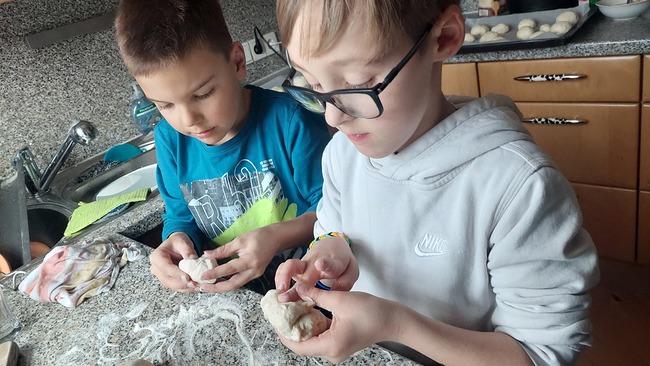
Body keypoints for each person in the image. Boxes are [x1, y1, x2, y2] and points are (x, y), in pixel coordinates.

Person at [271, 0, 600, 365]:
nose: (333, 117)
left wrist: (394, 325)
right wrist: (329, 251)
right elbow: (334, 228)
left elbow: (538, 353)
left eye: (356, 84)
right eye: (312, 82)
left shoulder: (518, 187)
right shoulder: (341, 156)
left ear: (443, 37)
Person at [114, 0, 331, 294]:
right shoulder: (169, 139)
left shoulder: (291, 122)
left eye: (203, 94)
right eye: (164, 105)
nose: (189, 120)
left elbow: (333, 211)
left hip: (304, 287)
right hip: (235, 295)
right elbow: (181, 217)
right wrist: (176, 241)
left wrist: (276, 237)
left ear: (237, 63)